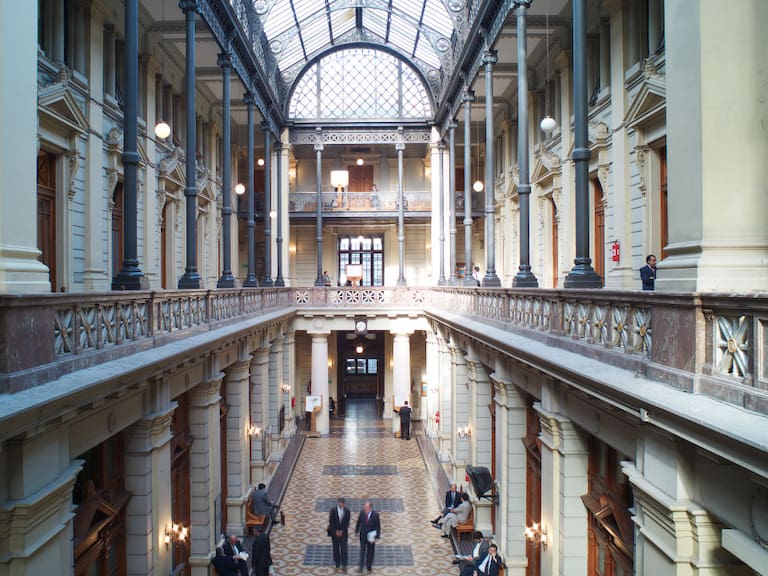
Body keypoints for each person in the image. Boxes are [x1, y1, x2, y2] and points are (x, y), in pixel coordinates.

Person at [355, 501, 381, 573]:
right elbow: (358, 522)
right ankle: (360, 567)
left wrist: (377, 536)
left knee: (370, 551)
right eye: (365, 507)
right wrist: (356, 531)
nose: (365, 509)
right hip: (363, 535)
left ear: (370, 508)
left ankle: (369, 567)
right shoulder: (362, 512)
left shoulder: (375, 515)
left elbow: (378, 526)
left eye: (367, 507)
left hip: (371, 536)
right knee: (362, 551)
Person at [328, 497, 351, 571]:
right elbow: (331, 522)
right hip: (335, 534)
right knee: (336, 549)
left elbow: (347, 522)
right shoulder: (333, 511)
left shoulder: (347, 511)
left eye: (342, 503)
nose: (340, 504)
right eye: (339, 503)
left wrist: (342, 531)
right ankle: (337, 564)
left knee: (344, 549)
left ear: (344, 503)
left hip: (343, 534)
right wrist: (336, 531)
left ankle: (344, 565)